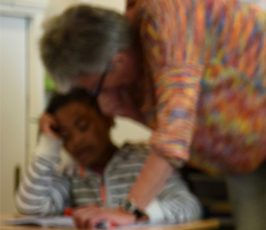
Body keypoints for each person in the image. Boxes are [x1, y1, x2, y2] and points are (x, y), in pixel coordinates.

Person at [38, 0, 266, 229]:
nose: (97, 96)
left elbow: (174, 136)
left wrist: (129, 210)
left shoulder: (166, 15)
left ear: (117, 61)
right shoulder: (127, 73)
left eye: (93, 86)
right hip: (245, 140)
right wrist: (126, 105)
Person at [15, 89, 202, 228]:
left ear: (107, 119)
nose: (77, 141)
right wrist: (48, 144)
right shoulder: (69, 174)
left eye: (83, 126)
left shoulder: (146, 160)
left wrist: (136, 214)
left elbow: (189, 207)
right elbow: (30, 207)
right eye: (65, 136)